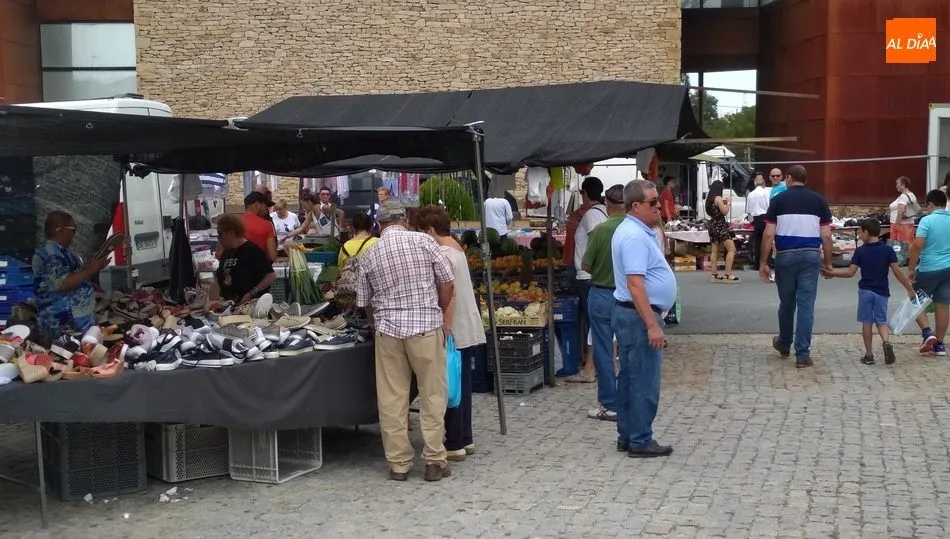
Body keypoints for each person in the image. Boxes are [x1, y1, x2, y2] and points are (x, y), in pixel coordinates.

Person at [355, 200, 456, 482]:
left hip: (388, 331)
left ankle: (399, 463)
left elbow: (364, 302)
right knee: (432, 394)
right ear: (405, 219)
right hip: (425, 326)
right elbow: (448, 281)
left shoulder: (370, 253)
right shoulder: (424, 242)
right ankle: (435, 460)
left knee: (392, 398)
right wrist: (437, 307)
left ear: (380, 224)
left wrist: (377, 322)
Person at [610, 179, 677, 458]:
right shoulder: (634, 236)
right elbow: (636, 283)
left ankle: (628, 434)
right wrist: (652, 324)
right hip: (639, 315)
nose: (658, 208)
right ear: (635, 206)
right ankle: (640, 439)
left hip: (629, 313)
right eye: (653, 203)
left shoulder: (633, 230)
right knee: (644, 380)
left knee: (629, 377)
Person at [415, 205, 485, 461]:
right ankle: (465, 438)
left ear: (430, 230)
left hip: (452, 326)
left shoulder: (442, 253)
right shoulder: (456, 248)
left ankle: (454, 441)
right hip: (465, 324)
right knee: (460, 382)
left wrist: (445, 326)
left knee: (448, 385)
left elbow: (449, 292)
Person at [759, 165, 833, 368]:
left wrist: (763, 262)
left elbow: (768, 234)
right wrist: (828, 262)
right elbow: (826, 235)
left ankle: (784, 342)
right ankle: (802, 354)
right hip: (810, 255)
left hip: (785, 255)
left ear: (789, 178)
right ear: (806, 180)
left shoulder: (777, 201)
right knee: (806, 305)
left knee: (787, 302)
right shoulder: (819, 201)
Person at [822, 219, 916, 365]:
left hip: (866, 290)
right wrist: (909, 288)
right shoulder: (887, 250)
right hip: (882, 291)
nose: (860, 235)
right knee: (881, 320)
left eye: (860, 232)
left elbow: (850, 272)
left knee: (867, 322)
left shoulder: (861, 251)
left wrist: (832, 272)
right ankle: (886, 342)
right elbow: (897, 272)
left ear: (866, 231)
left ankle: (869, 354)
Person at [580, 185, 625, 421]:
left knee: (604, 350)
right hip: (630, 295)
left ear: (607, 205)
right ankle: (628, 398)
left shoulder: (601, 230)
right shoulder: (636, 228)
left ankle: (609, 402)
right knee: (629, 349)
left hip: (603, 293)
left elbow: (585, 265)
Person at [32, 212, 109, 343]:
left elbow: (77, 276)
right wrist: (91, 269)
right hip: (63, 326)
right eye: (74, 229)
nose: (75, 234)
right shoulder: (50, 253)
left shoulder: (63, 251)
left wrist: (94, 267)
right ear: (61, 230)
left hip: (78, 324)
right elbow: (63, 283)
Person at [566, 177, 607, 383]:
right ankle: (598, 365)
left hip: (588, 276)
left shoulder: (591, 215)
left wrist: (590, 265)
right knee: (596, 322)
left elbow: (597, 240)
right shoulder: (603, 212)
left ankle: (591, 367)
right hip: (594, 275)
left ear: (584, 194)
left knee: (593, 322)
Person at [907, 189, 950, 356]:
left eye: (927, 206)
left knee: (915, 298)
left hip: (930, 267)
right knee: (943, 305)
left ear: (931, 204)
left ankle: (927, 333)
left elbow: (917, 245)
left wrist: (911, 268)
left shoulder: (927, 221)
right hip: (948, 268)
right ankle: (939, 344)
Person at [215, 214, 276, 304]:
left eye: (220, 235)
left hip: (248, 306)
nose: (219, 239)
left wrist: (251, 293)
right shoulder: (226, 252)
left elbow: (271, 276)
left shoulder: (252, 250)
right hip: (229, 305)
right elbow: (221, 277)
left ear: (231, 233)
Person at [705, 179, 739, 282]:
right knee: (731, 249)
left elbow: (716, 208)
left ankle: (714, 274)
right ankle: (727, 274)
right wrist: (728, 203)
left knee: (714, 250)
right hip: (721, 226)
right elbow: (724, 212)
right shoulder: (718, 198)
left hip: (712, 225)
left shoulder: (709, 199)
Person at [233, 192, 278, 263]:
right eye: (266, 206)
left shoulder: (232, 223)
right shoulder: (267, 225)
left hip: (235, 270)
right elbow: (272, 256)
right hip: (259, 270)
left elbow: (219, 254)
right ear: (256, 205)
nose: (267, 209)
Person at [888, 176, 920, 266]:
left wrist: (897, 224)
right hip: (908, 223)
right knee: (908, 242)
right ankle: (907, 259)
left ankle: (900, 260)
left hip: (901, 223)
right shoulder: (911, 194)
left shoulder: (903, 196)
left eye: (897, 184)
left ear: (903, 184)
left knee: (900, 243)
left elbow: (901, 210)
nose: (896, 186)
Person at [746, 172, 772, 270]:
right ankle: (766, 262)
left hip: (756, 218)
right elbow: (768, 206)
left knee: (757, 242)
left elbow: (748, 210)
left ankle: (757, 263)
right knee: (767, 241)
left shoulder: (751, 194)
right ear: (763, 183)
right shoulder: (766, 192)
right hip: (765, 217)